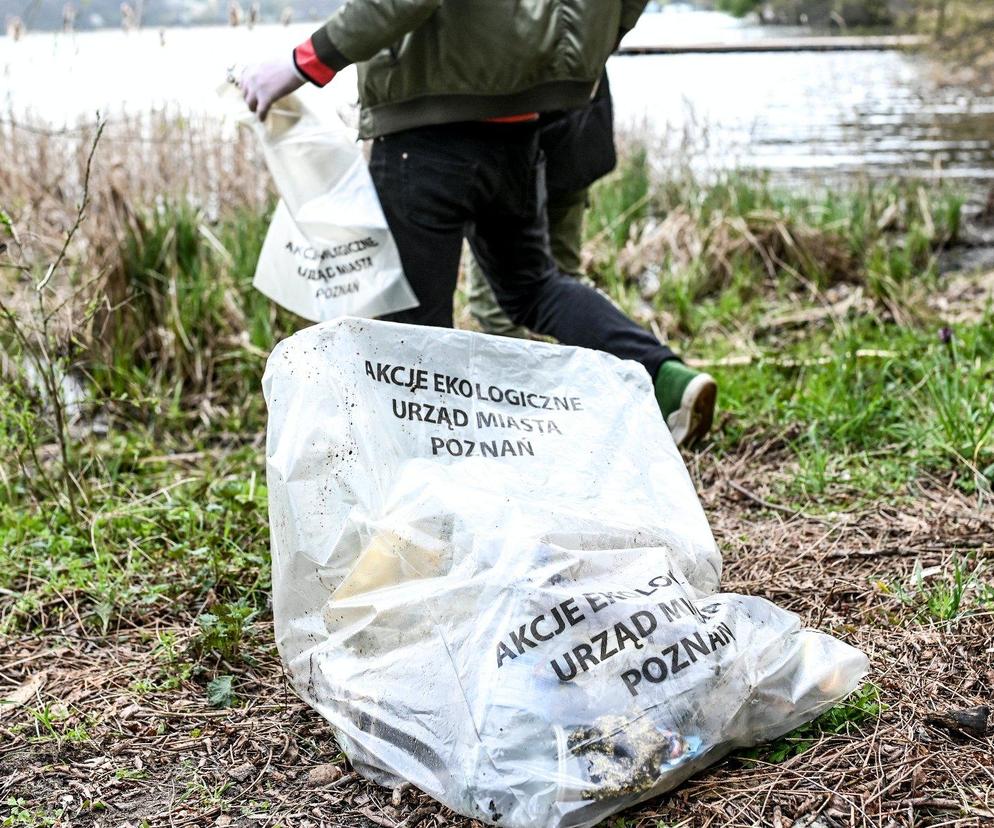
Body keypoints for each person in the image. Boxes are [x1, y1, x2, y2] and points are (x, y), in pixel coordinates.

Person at [239, 0, 717, 446]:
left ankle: (429, 494)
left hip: (424, 136)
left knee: (411, 330)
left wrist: (303, 62)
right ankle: (667, 378)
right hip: (519, 127)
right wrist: (580, 50)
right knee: (533, 288)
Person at [465, 72, 615, 339]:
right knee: (564, 283)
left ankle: (520, 378)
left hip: (512, 147)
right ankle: (619, 365)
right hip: (571, 136)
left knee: (497, 306)